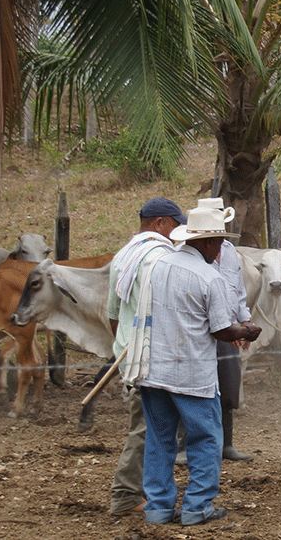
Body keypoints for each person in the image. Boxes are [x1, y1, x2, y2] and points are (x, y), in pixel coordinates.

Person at [138, 204, 261, 526]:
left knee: (159, 439)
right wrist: (247, 331)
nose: (221, 250)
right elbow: (222, 330)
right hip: (191, 373)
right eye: (219, 242)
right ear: (207, 242)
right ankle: (196, 507)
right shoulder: (209, 276)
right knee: (206, 438)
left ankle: (158, 507)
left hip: (154, 369)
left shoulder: (160, 265)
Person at [106, 197, 186, 517]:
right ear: (160, 223)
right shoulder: (159, 258)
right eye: (176, 225)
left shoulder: (123, 256)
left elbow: (113, 314)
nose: (178, 233)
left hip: (130, 353)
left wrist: (128, 342)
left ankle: (140, 490)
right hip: (151, 357)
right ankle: (126, 495)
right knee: (148, 427)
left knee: (149, 425)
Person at [176, 198, 254, 463]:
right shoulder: (185, 255)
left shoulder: (229, 251)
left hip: (228, 327)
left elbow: (237, 289)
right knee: (194, 383)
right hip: (199, 328)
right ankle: (186, 445)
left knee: (228, 383)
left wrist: (243, 321)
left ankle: (226, 444)